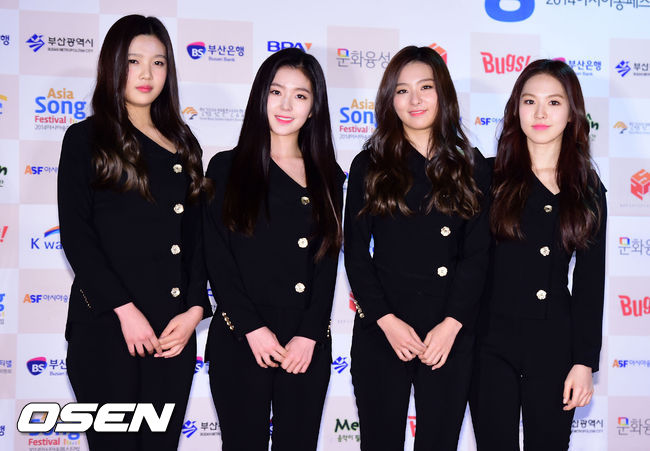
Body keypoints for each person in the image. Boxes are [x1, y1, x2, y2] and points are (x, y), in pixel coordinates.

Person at [57, 15, 212, 451]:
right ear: (112, 65)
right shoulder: (86, 138)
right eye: (133, 61)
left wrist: (194, 310)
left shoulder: (185, 142)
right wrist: (124, 311)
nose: (146, 74)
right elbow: (77, 237)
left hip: (172, 334)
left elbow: (198, 240)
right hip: (107, 328)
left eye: (158, 62)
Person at [344, 45, 491, 450]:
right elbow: (355, 252)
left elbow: (478, 254)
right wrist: (385, 320)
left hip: (448, 331)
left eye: (426, 87)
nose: (415, 100)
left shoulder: (472, 165)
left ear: (443, 94)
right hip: (383, 328)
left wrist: (452, 324)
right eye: (402, 90)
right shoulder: (369, 164)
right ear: (389, 100)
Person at [203, 48, 345, 451]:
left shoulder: (329, 175)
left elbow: (327, 262)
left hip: (305, 342)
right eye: (276, 92)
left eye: (300, 96)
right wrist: (250, 328)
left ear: (314, 108)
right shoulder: (226, 167)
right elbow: (217, 256)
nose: (286, 106)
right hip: (241, 336)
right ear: (260, 96)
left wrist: (310, 334)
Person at [470, 59, 607, 451]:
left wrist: (584, 362)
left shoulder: (587, 189)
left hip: (554, 343)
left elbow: (590, 282)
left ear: (572, 114)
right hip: (489, 341)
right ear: (516, 110)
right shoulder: (488, 176)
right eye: (530, 101)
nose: (541, 113)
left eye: (554, 102)